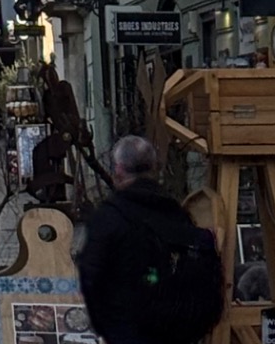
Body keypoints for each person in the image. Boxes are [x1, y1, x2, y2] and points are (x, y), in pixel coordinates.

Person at [77, 135, 222, 344]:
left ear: (118, 170)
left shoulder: (109, 217)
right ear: (154, 167)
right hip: (174, 332)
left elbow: (91, 276)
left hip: (127, 332)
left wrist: (108, 328)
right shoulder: (175, 212)